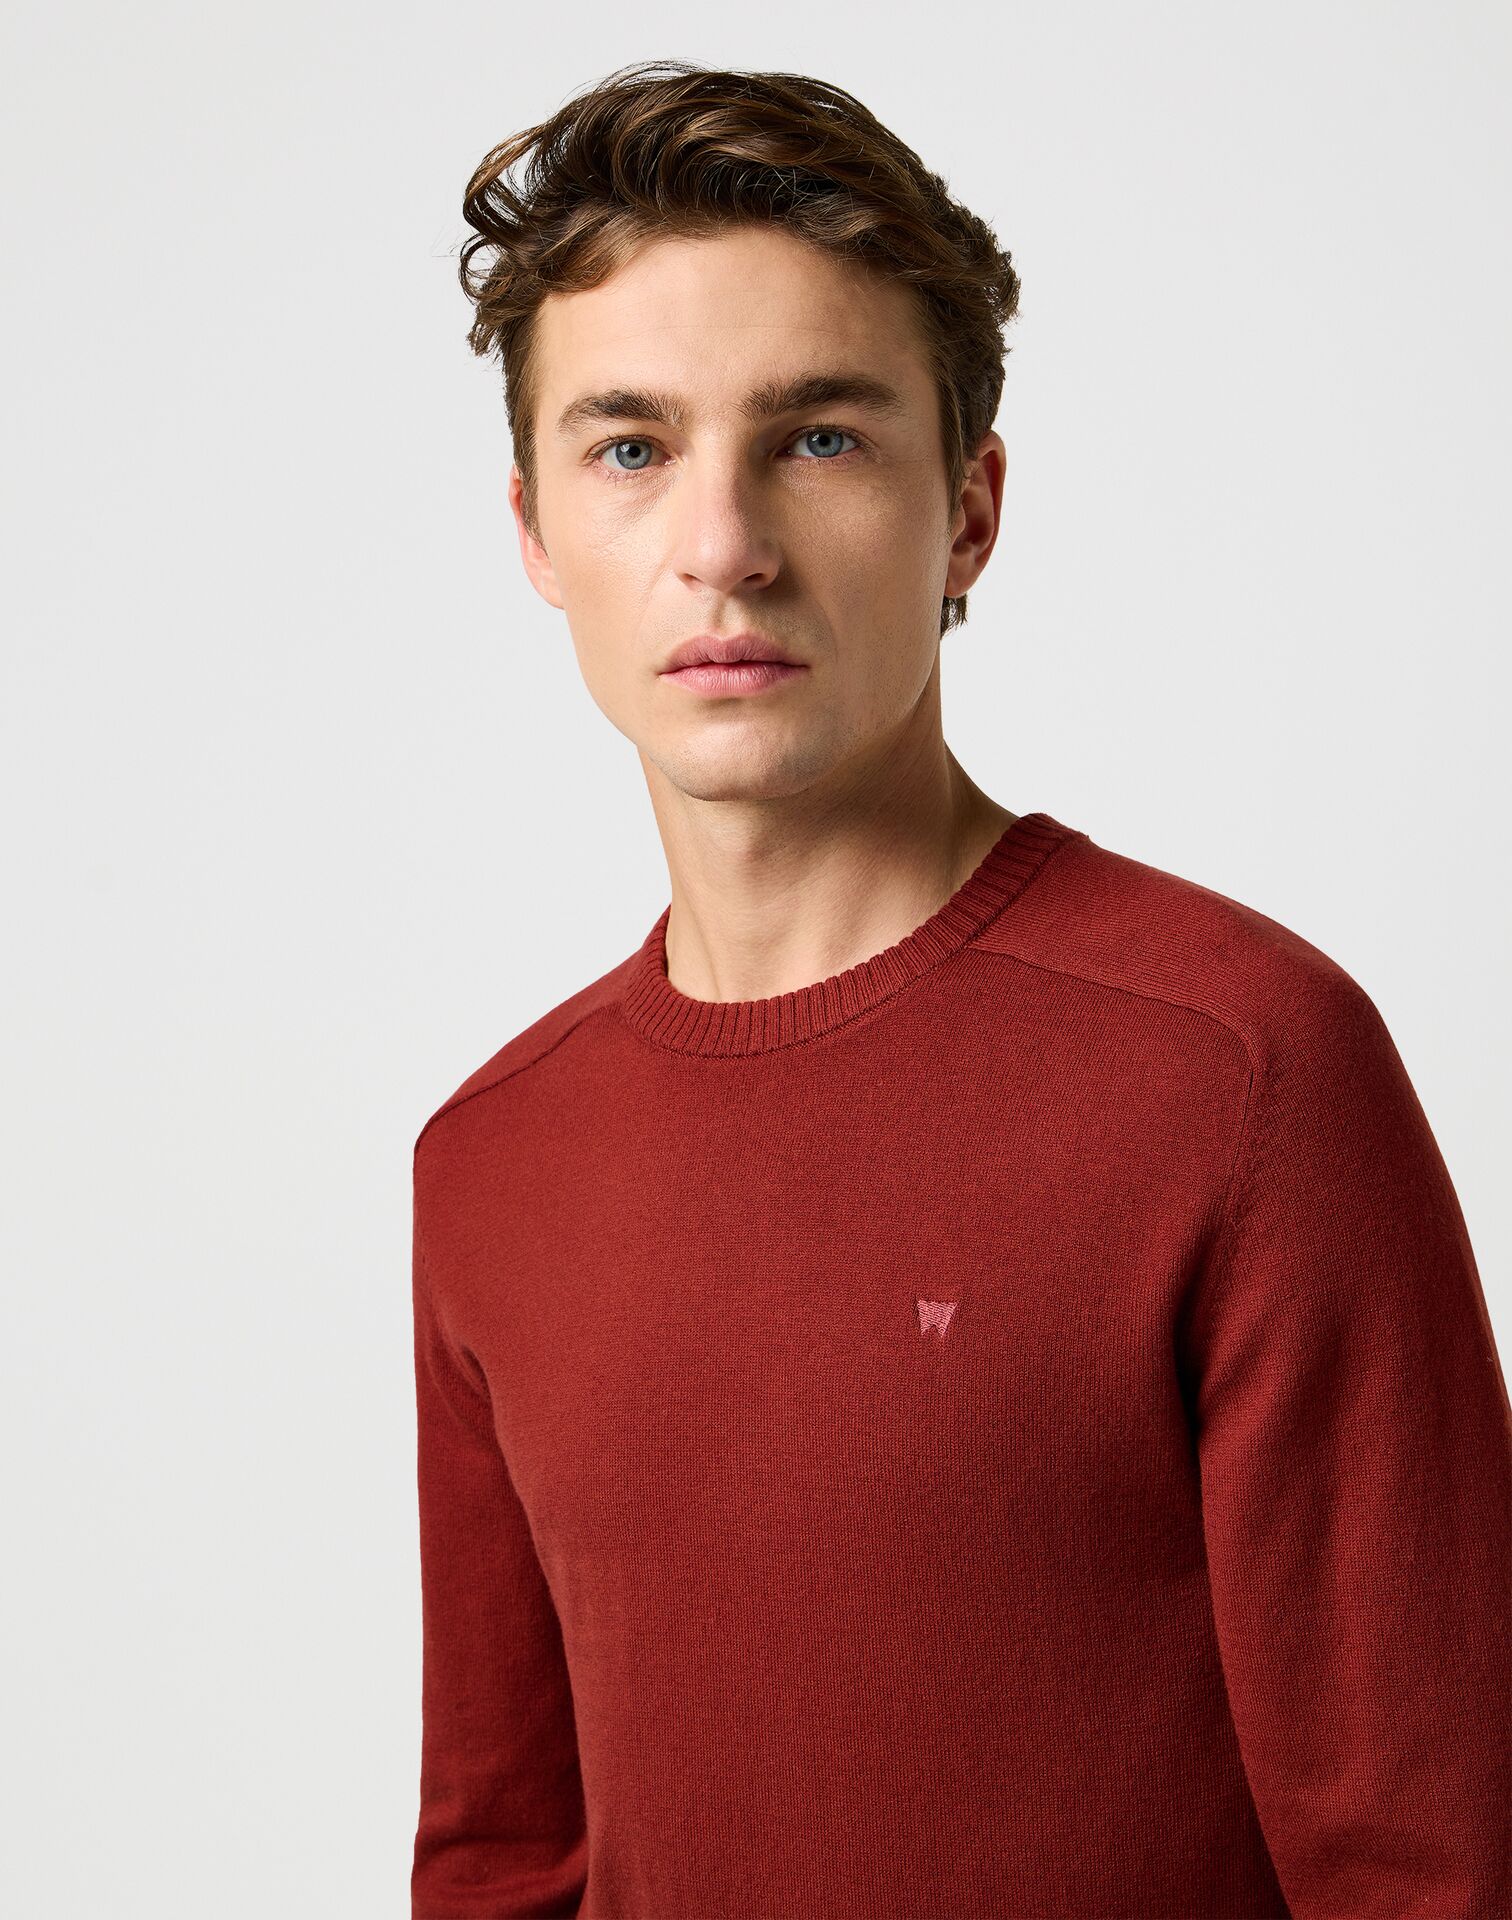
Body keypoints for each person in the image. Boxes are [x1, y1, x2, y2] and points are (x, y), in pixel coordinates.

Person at [408, 58, 1511, 1920]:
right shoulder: (492, 1160)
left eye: (820, 438)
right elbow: (506, 1859)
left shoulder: (1239, 1070)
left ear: (971, 513)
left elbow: (1439, 1861)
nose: (724, 544)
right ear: (536, 533)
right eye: (632, 449)